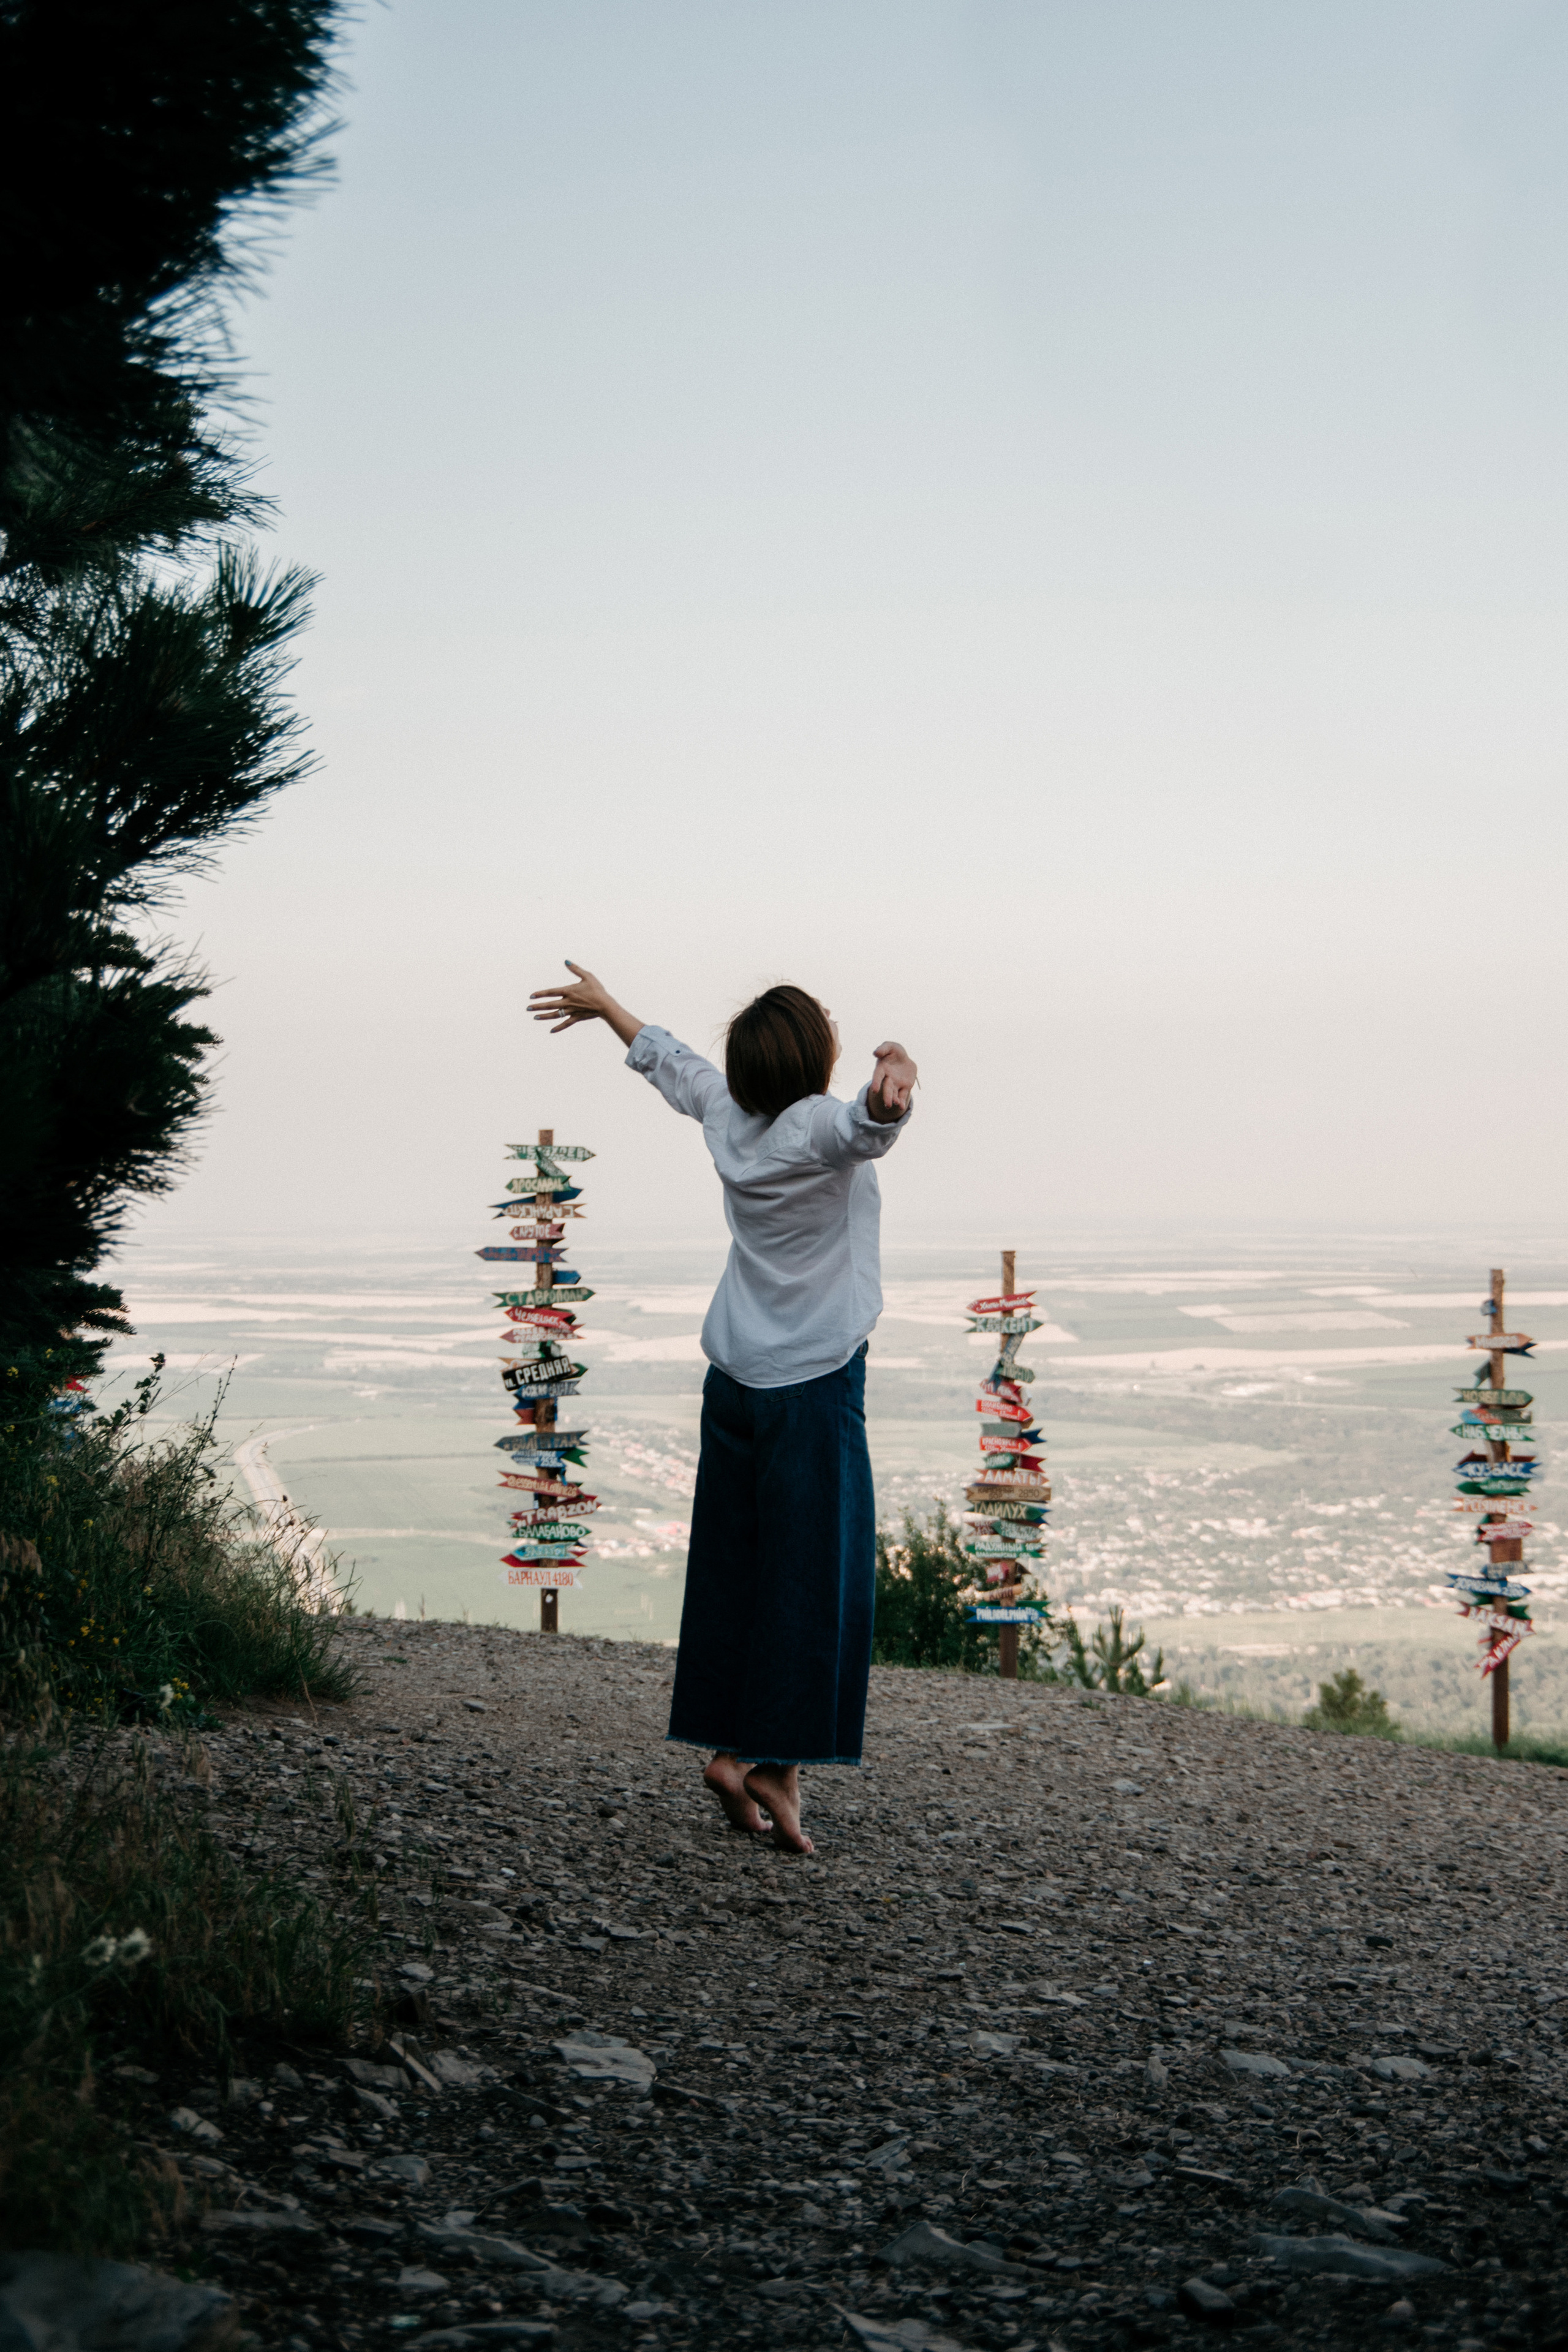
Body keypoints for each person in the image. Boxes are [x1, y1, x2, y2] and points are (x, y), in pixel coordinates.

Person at [529, 963, 916, 1853]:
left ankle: (730, 1746)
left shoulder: (729, 1121)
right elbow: (866, 1124)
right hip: (813, 1386)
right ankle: (769, 1763)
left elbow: (675, 1064)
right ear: (813, 1060)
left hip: (735, 1377)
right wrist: (896, 1091)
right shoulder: (818, 1126)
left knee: (736, 1572)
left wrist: (606, 1011)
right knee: (814, 1577)